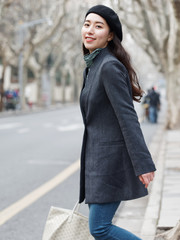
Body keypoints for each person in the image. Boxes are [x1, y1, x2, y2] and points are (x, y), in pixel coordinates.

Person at [79, 5, 156, 240]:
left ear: (110, 35)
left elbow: (128, 117)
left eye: (98, 26)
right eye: (87, 24)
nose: (90, 30)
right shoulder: (93, 66)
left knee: (100, 228)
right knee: (100, 227)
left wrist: (143, 163)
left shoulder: (109, 66)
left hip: (109, 162)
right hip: (96, 162)